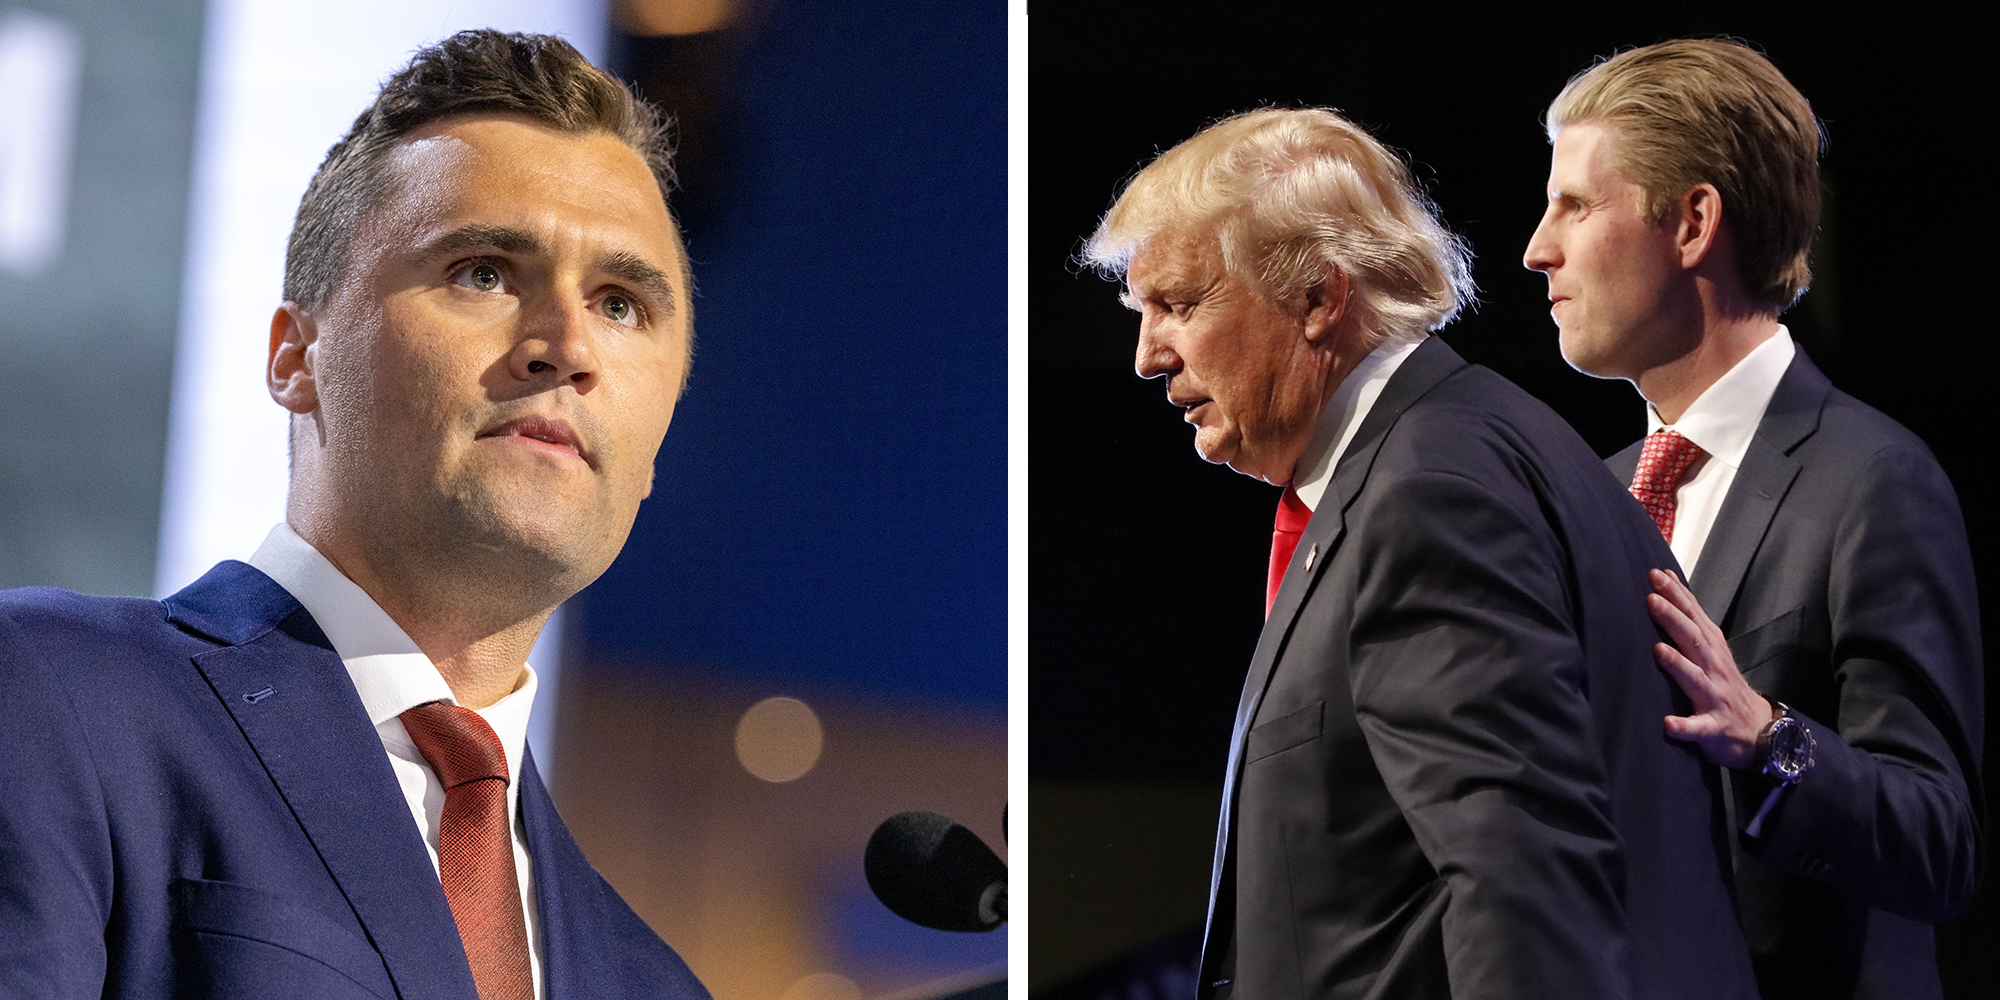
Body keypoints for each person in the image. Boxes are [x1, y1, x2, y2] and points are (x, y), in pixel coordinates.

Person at [0, 31, 709, 1000]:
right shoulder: (46, 697)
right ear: (296, 354)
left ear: (658, 439)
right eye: (486, 272)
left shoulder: (653, 984)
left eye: (622, 304)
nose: (566, 345)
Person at [1084, 107, 1756, 1000]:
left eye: (1178, 304)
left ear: (1320, 299)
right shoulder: (1466, 451)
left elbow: (1525, 882)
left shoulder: (1429, 493)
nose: (1144, 356)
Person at [1524, 39, 1983, 1000]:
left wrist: (1772, 738)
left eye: (1575, 204)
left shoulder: (1874, 480)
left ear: (1692, 222)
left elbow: (1939, 844)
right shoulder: (1592, 497)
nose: (1538, 248)